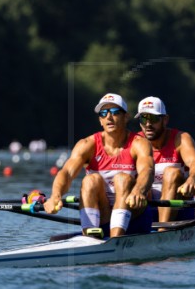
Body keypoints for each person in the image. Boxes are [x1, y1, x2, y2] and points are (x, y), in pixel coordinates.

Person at [43, 93, 154, 238]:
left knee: (122, 179)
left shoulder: (139, 143)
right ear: (100, 120)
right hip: (104, 215)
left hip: (135, 217)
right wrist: (55, 196)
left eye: (114, 112)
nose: (109, 117)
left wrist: (139, 190)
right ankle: (90, 237)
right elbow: (67, 173)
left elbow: (148, 170)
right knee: (90, 180)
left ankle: (115, 240)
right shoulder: (87, 144)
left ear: (125, 117)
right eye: (104, 113)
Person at [134, 96, 195, 224]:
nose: (148, 124)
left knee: (171, 172)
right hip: (145, 209)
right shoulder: (135, 142)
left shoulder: (181, 139)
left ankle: (163, 229)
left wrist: (192, 180)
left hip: (179, 210)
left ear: (165, 120)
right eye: (144, 118)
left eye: (153, 118)